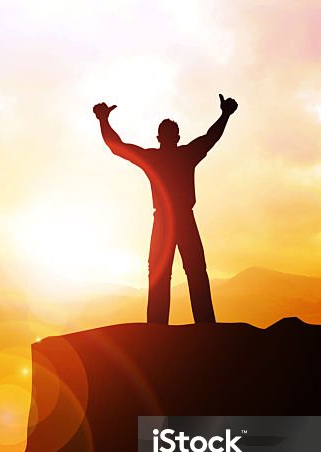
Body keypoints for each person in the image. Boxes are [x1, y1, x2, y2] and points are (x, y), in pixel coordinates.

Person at [93, 94, 237, 323]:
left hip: (166, 222)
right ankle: (202, 326)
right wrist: (225, 115)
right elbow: (211, 137)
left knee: (168, 275)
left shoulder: (155, 158)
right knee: (195, 273)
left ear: (159, 137)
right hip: (179, 220)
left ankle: (160, 329)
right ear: (176, 137)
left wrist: (103, 120)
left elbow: (117, 147)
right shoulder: (186, 154)